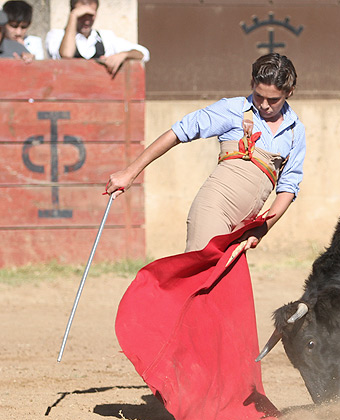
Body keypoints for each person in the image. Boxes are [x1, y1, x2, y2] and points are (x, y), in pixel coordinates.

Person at [106, 53, 306, 254]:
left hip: (245, 224)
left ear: (289, 92)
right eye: (259, 95)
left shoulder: (295, 131)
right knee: (200, 278)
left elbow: (288, 186)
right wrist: (130, 172)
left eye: (273, 100)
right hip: (213, 210)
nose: (263, 105)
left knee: (225, 284)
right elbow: (178, 132)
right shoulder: (232, 109)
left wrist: (262, 229)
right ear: (252, 83)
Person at [46, 0, 149, 75]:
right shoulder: (56, 35)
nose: (87, 21)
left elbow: (144, 53)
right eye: (82, 15)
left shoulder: (105, 37)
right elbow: (67, 54)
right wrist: (73, 16)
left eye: (90, 15)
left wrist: (124, 55)